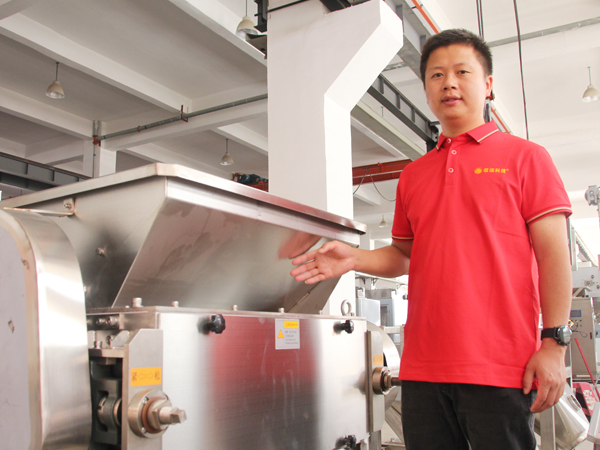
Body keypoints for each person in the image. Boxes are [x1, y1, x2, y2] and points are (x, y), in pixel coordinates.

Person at [290, 29, 573, 450]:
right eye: (436, 75)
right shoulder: (414, 175)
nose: (449, 83)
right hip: (422, 369)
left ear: (488, 84)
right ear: (426, 89)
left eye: (462, 72)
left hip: (499, 366)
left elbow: (554, 256)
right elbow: (404, 255)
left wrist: (554, 343)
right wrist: (353, 259)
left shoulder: (526, 158)